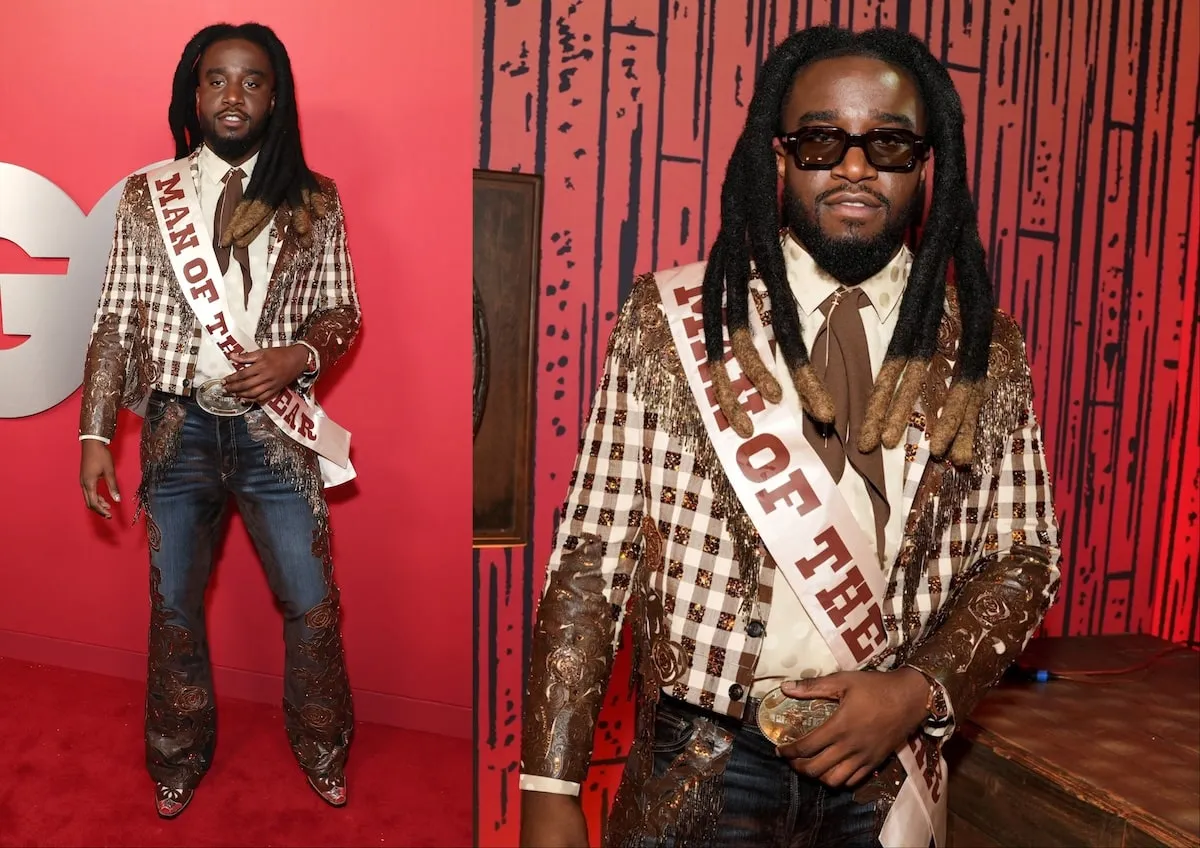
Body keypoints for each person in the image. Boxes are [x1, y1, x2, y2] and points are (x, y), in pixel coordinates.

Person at [518, 24, 1060, 848]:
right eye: (820, 140)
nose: (853, 166)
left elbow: (1025, 554)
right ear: (778, 159)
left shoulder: (984, 347)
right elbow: (594, 552)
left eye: (887, 142)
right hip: (707, 755)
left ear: (925, 164)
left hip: (886, 764)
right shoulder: (675, 323)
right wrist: (549, 783)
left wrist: (918, 692)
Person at [78, 22, 360, 818]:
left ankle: (322, 746)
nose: (233, 95)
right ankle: (176, 756)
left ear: (276, 97)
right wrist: (96, 433)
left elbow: (343, 311)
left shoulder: (314, 197)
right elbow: (114, 320)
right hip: (179, 430)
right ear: (192, 93)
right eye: (217, 80)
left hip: (276, 429)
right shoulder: (147, 196)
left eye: (252, 81)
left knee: (311, 601)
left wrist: (297, 355)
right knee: (173, 605)